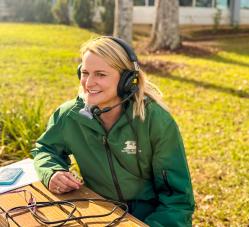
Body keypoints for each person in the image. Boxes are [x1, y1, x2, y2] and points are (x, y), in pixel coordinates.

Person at [32, 36, 195, 226]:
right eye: (85, 72)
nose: (89, 83)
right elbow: (45, 149)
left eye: (101, 74)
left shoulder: (156, 121)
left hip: (150, 218)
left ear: (127, 81)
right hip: (96, 213)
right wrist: (52, 172)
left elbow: (177, 200)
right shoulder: (70, 116)